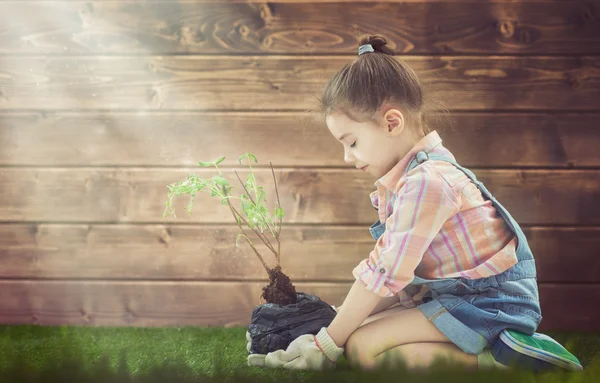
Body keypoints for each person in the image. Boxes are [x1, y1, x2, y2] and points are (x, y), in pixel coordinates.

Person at [248, 34, 582, 373]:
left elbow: (383, 273)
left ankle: (506, 363)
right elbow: (398, 278)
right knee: (356, 331)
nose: (347, 157)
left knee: (366, 350)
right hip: (457, 298)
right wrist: (336, 323)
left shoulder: (427, 182)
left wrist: (325, 344)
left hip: (489, 303)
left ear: (392, 123)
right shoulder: (413, 175)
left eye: (351, 142)